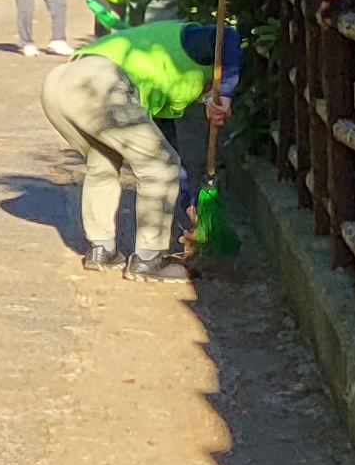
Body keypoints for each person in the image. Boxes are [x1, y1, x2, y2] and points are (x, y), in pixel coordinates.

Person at [39, 19, 236, 281]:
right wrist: (227, 93)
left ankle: (102, 249)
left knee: (104, 162)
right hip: (100, 85)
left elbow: (168, 149)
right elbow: (230, 36)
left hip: (59, 85)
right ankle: (148, 260)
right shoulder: (193, 42)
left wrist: (189, 202)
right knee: (159, 168)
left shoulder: (159, 79)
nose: (204, 98)